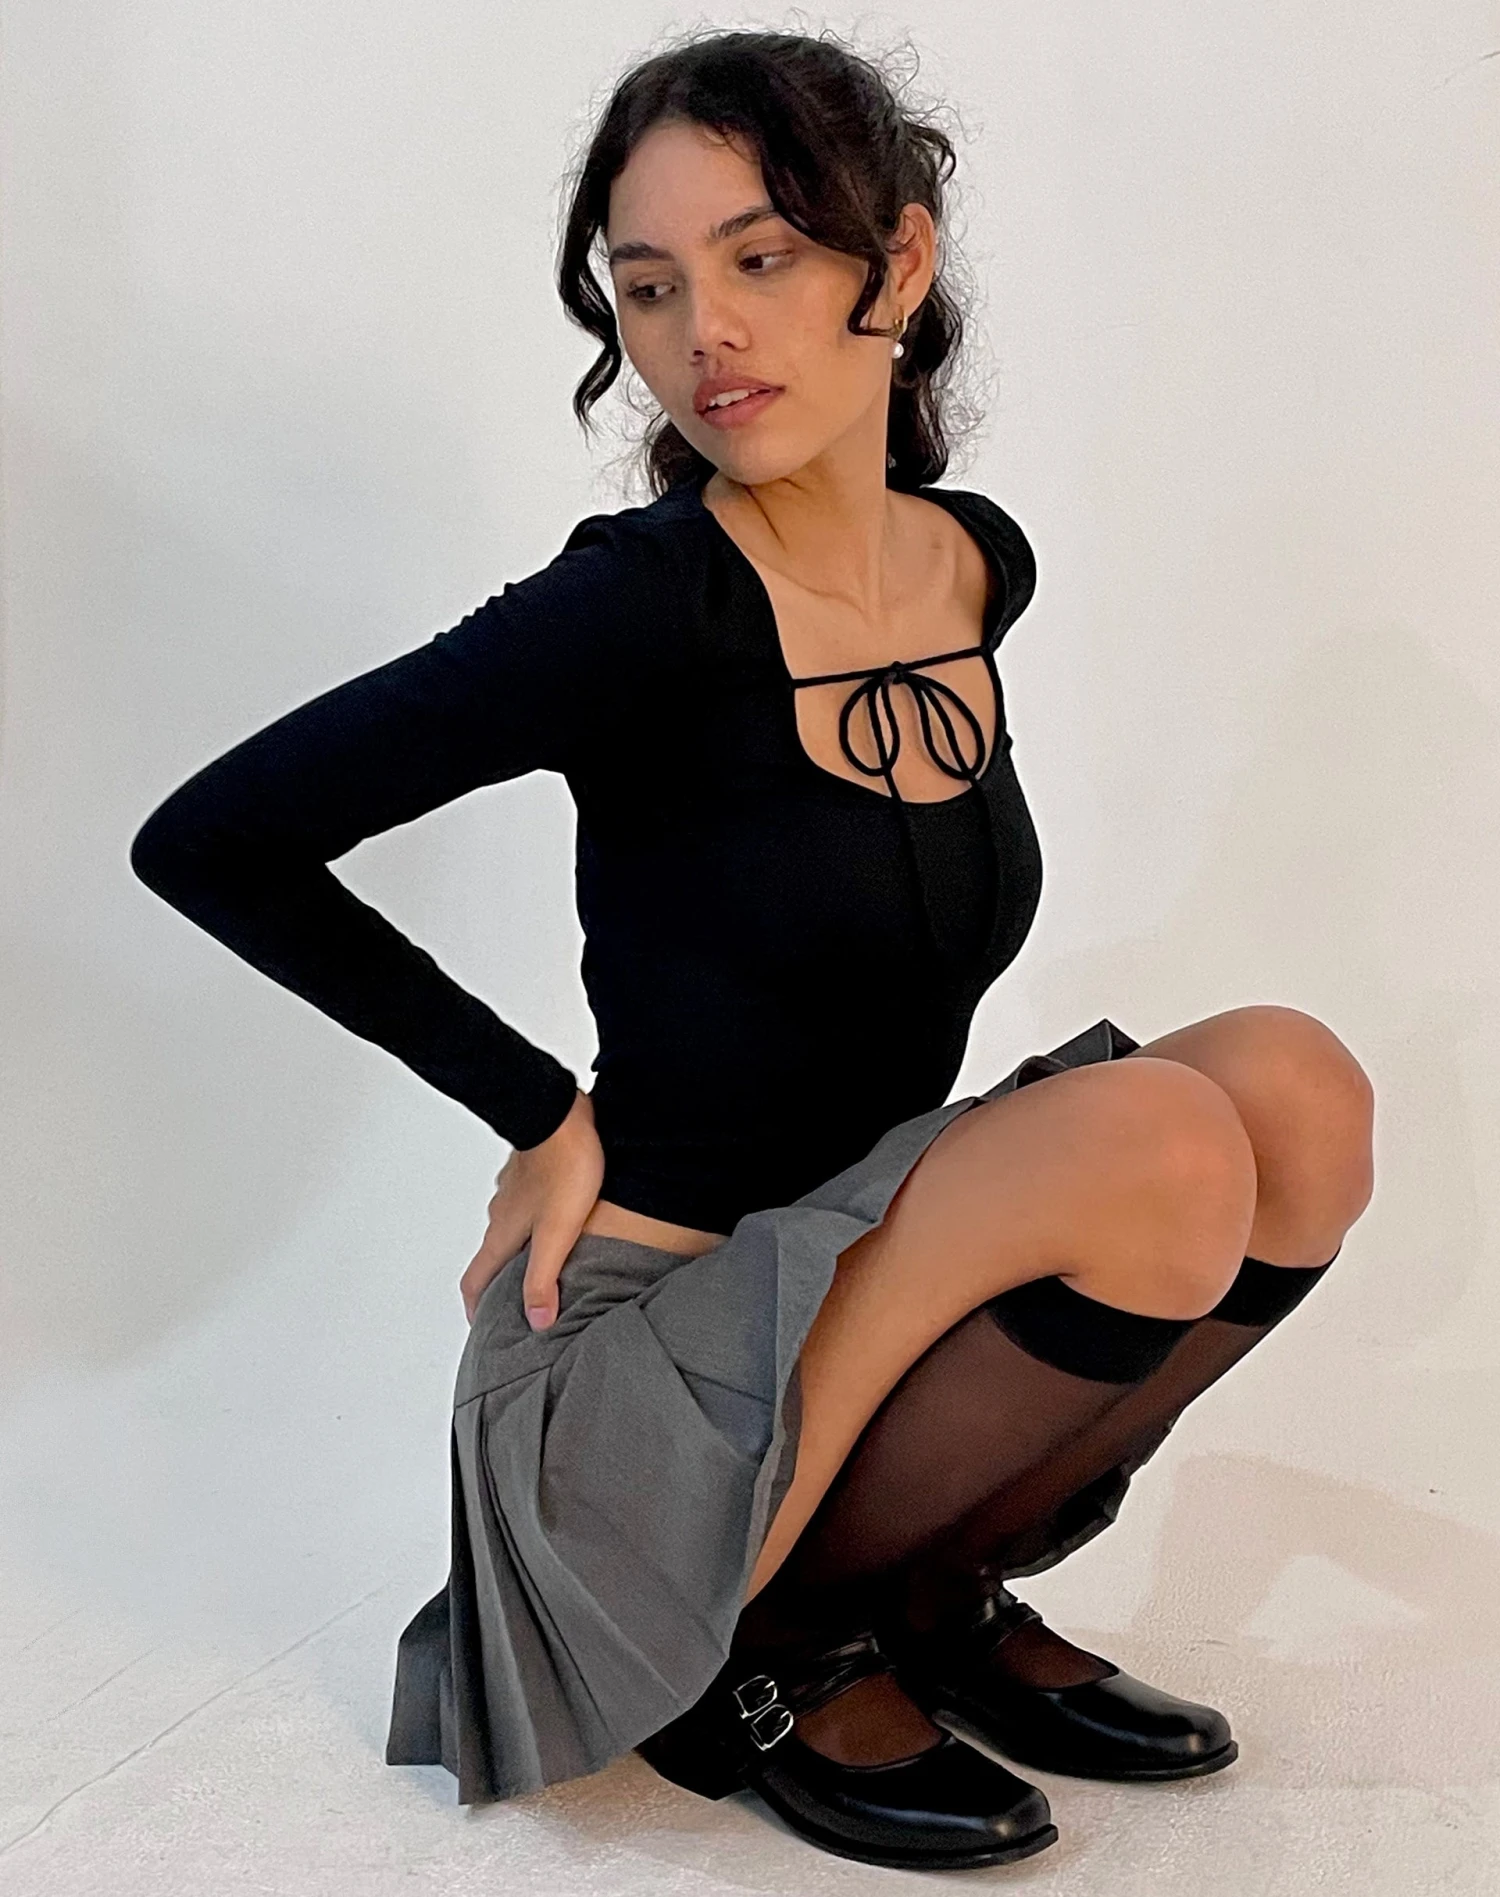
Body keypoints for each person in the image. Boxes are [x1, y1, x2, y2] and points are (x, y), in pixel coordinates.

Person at [128, 28, 1374, 1876]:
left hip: (861, 1292)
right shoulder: (634, 608)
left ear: (901, 263)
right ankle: (762, 1645)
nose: (705, 330)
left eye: (762, 256)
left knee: (1293, 1085)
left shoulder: (973, 569)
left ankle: (928, 1583)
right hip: (639, 1377)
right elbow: (213, 840)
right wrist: (536, 1110)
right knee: (1160, 1139)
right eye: (650, 286)